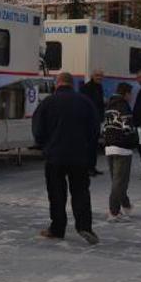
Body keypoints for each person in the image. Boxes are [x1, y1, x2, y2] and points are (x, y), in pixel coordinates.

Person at [32, 72, 100, 245]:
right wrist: (86, 148)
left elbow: (38, 129)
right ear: (72, 84)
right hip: (79, 156)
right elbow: (95, 130)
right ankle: (85, 226)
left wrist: (45, 147)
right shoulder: (85, 102)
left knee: (56, 194)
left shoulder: (47, 102)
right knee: (81, 192)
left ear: (57, 83)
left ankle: (57, 228)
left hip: (55, 157)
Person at [103, 82, 136, 222]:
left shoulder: (109, 106)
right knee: (120, 182)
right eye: (130, 93)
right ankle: (113, 211)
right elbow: (127, 128)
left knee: (117, 180)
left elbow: (104, 127)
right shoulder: (124, 106)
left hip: (109, 146)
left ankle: (126, 205)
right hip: (122, 148)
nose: (131, 96)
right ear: (126, 93)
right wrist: (135, 139)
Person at [79, 69, 105, 177]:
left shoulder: (99, 87)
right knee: (88, 145)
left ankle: (92, 167)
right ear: (92, 76)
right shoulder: (86, 88)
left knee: (94, 145)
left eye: (101, 76)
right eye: (97, 75)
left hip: (96, 120)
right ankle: (87, 168)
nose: (99, 78)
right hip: (88, 120)